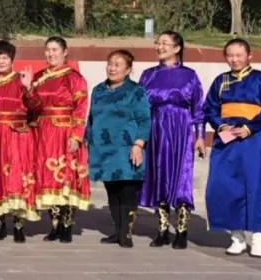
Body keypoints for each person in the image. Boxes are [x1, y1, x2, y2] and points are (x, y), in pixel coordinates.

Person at [205, 38, 261, 258]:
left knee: (257, 185)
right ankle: (237, 237)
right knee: (226, 185)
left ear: (249, 56)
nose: (234, 59)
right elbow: (210, 108)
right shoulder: (221, 81)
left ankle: (258, 237)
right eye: (230, 55)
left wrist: (249, 128)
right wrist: (221, 126)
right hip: (227, 139)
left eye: (239, 55)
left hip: (254, 138)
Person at [138, 31, 206, 249]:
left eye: (165, 43)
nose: (159, 47)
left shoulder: (189, 75)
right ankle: (162, 230)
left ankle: (182, 231)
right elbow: (140, 108)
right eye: (158, 43)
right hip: (155, 128)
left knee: (181, 177)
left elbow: (198, 108)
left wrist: (200, 137)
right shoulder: (148, 75)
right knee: (159, 176)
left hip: (180, 128)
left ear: (177, 48)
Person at [27, 36, 91, 243]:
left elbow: (81, 107)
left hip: (65, 132)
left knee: (67, 178)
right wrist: (28, 90)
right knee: (49, 178)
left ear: (65, 52)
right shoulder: (38, 77)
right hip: (44, 133)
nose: (51, 53)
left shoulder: (74, 78)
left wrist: (76, 135)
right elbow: (35, 107)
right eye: (48, 50)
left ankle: (67, 225)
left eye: (55, 49)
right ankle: (54, 225)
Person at [86, 50, 151, 248]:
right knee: (112, 191)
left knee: (127, 190)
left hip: (127, 149)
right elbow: (92, 119)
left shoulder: (136, 91)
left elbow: (144, 119)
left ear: (128, 69)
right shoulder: (99, 90)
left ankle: (126, 233)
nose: (112, 68)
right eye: (110, 64)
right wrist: (88, 141)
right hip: (104, 149)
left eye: (117, 65)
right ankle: (117, 230)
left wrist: (139, 144)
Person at [0, 40, 38, 242]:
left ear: (12, 59)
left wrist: (29, 88)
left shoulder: (21, 80)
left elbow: (36, 107)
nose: (1, 61)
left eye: (5, 57)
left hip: (17, 136)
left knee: (17, 178)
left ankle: (18, 225)